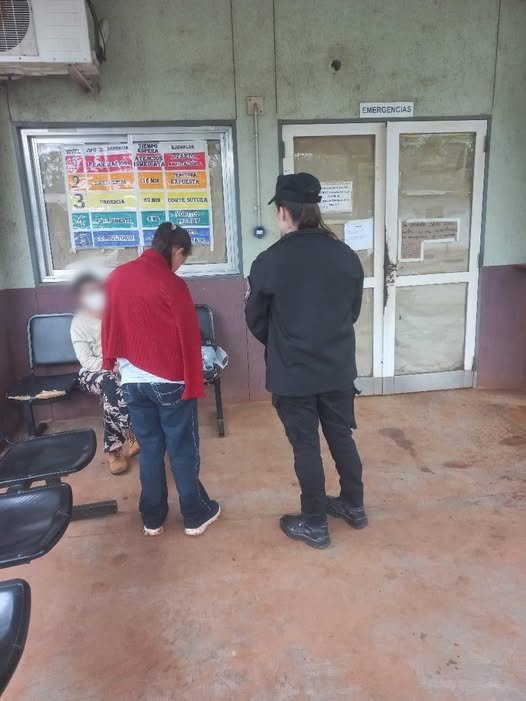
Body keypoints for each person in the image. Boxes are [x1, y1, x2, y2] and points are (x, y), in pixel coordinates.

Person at [245, 172, 367, 549]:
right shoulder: (345, 255)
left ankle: (314, 523)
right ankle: (354, 505)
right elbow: (352, 311)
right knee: (341, 436)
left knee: (306, 447)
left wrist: (283, 344)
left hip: (293, 374)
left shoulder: (270, 261)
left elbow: (256, 319)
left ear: (284, 211)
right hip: (337, 369)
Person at [102, 222, 220, 537]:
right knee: (182, 449)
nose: (181, 265)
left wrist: (111, 361)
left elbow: (109, 323)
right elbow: (189, 337)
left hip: (132, 380)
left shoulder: (118, 276)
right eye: (183, 257)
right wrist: (194, 380)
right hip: (170, 381)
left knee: (151, 448)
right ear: (177, 250)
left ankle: (152, 518)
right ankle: (194, 514)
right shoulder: (172, 283)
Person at [70, 273, 138, 475]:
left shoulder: (117, 314)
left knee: (110, 397)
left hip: (122, 368)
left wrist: (122, 365)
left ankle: (114, 451)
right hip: (92, 373)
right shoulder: (79, 323)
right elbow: (86, 360)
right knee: (109, 383)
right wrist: (110, 367)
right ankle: (132, 432)